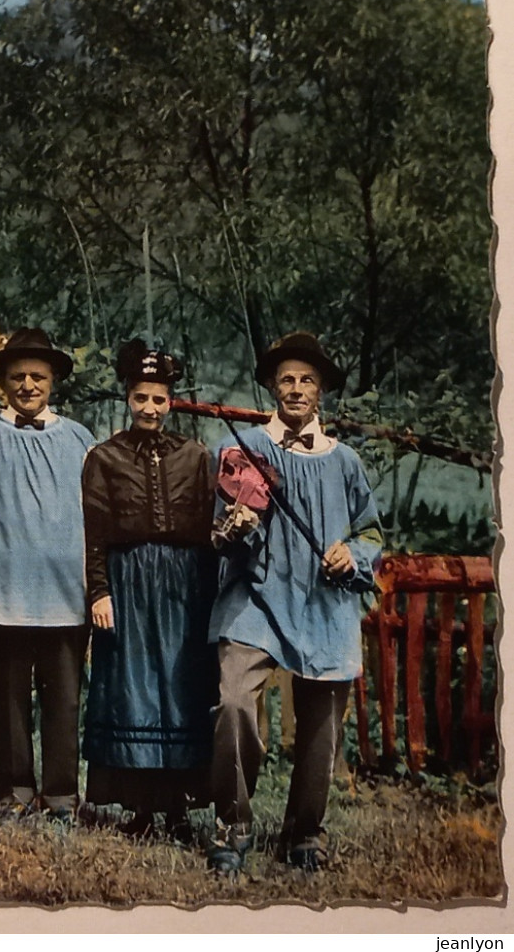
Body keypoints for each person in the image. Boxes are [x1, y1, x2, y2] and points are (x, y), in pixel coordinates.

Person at [206, 332, 383, 875]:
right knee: (235, 700)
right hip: (256, 594)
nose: (297, 388)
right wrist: (238, 527)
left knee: (321, 724)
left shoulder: (345, 461)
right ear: (272, 387)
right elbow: (223, 526)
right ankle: (232, 824)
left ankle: (305, 832)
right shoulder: (244, 451)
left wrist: (350, 555)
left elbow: (373, 534)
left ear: (321, 390)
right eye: (287, 378)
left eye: (307, 379)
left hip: (322, 599)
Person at [79, 339, 217, 837]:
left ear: (172, 400)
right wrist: (99, 591)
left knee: (181, 689)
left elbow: (208, 532)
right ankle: (137, 806)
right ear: (128, 398)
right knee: (132, 691)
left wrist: (209, 597)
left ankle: (179, 806)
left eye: (159, 399)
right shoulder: (104, 457)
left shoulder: (196, 456)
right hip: (128, 581)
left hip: (183, 586)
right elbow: (93, 530)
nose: (150, 409)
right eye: (141, 398)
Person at [0, 327, 94, 818]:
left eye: (37, 377)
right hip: (3, 589)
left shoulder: (79, 438)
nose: (27, 386)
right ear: (3, 382)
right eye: (17, 377)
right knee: (8, 698)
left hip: (65, 592)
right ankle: (13, 791)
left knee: (63, 701)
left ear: (53, 381)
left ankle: (61, 794)